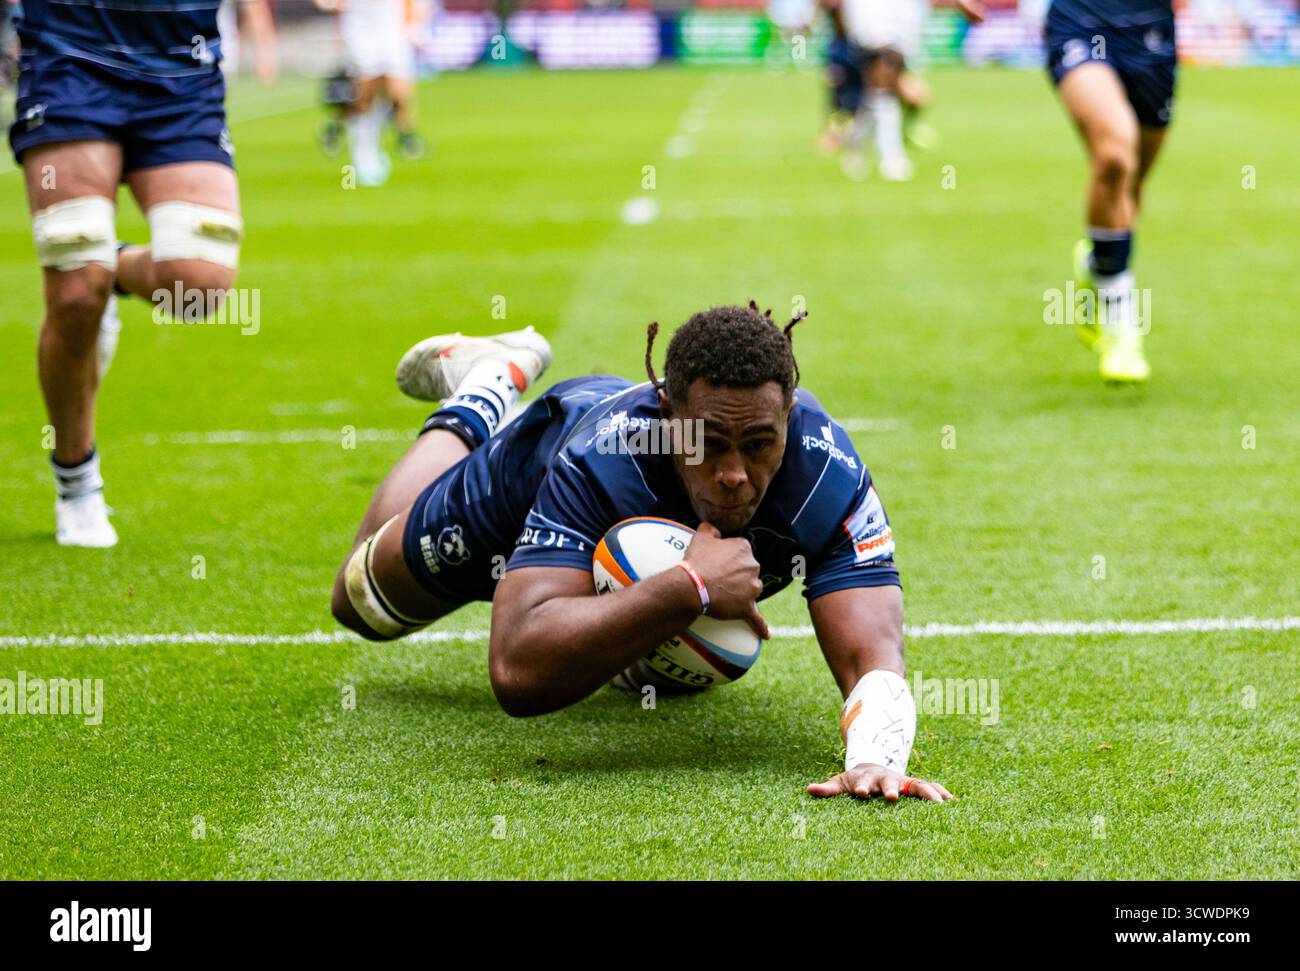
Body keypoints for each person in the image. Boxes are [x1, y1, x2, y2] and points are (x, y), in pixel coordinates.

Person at [329, 305, 954, 804]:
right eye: (708, 443)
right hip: (534, 466)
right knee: (364, 601)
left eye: (760, 444)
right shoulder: (602, 459)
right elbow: (517, 671)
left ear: (788, 417)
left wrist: (875, 759)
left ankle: (634, 633)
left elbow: (872, 652)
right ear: (666, 412)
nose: (735, 474)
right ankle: (483, 386)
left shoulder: (827, 472)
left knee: (684, 660)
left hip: (640, 553)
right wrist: (690, 586)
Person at [10, 0, 245, 546]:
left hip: (181, 66)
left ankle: (109, 270)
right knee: (73, 289)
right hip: (68, 53)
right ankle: (77, 480)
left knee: (200, 287)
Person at [1045, 0, 1177, 383]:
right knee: (1115, 157)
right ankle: (1123, 327)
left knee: (1130, 187)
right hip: (1079, 21)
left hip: (1151, 31)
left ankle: (1097, 265)